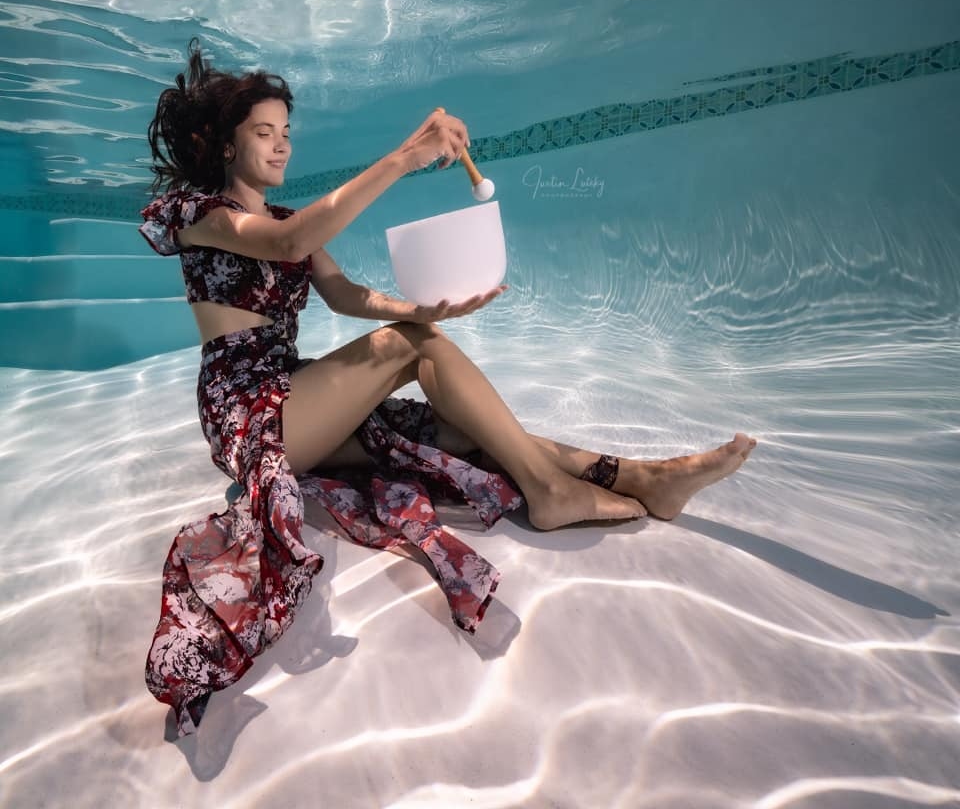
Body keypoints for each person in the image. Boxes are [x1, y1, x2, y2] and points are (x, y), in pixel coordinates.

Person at [139, 41, 756, 736]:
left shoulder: (286, 222)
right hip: (247, 415)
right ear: (226, 144)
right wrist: (403, 159)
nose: (282, 145)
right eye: (264, 132)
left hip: (297, 393)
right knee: (407, 349)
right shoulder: (196, 213)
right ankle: (548, 493)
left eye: (286, 131)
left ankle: (642, 476)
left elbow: (344, 294)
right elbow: (288, 248)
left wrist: (423, 309)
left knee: (448, 430)